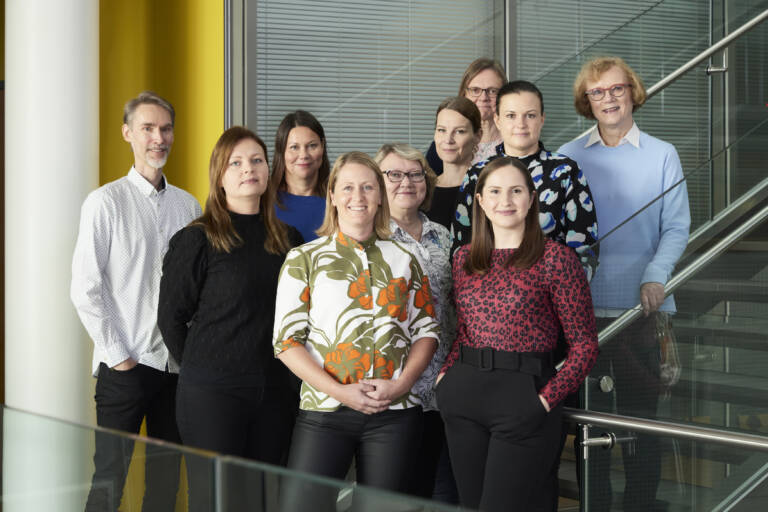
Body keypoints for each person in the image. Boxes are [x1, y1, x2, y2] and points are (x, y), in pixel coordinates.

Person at [272, 151, 440, 512]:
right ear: (332, 195)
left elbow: (427, 331)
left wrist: (401, 385)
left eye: (367, 187)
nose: (358, 197)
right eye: (347, 187)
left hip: (394, 413)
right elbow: (286, 343)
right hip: (324, 412)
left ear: (380, 196)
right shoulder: (304, 259)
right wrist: (340, 392)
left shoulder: (406, 258)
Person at [558, 56, 690, 512]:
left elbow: (676, 227)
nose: (608, 98)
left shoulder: (662, 154)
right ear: (587, 101)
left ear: (633, 92)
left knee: (642, 427)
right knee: (590, 428)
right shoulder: (569, 156)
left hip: (643, 311)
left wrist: (656, 275)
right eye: (597, 92)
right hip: (583, 314)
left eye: (617, 88)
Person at [436, 156, 599, 512]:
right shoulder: (465, 259)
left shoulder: (556, 259)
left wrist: (545, 399)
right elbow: (465, 330)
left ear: (531, 199)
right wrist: (445, 379)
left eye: (515, 191)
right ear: (480, 201)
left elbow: (585, 346)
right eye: (495, 192)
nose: (505, 201)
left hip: (524, 397)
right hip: (463, 396)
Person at [157, 126, 303, 511]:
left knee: (262, 501)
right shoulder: (198, 239)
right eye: (235, 163)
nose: (248, 169)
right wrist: (205, 369)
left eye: (256, 160)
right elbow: (170, 318)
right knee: (215, 501)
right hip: (212, 395)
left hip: (274, 393)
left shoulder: (289, 240)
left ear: (268, 171)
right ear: (220, 177)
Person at [71, 91, 201, 512]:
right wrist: (120, 358)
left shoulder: (189, 206)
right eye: (147, 128)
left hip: (174, 369)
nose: (158, 138)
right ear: (128, 133)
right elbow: (85, 288)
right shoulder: (104, 202)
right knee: (108, 483)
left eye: (165, 129)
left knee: (165, 485)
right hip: (123, 367)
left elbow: (195, 290)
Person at [374, 143, 458, 503]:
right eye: (394, 174)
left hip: (446, 383)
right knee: (400, 494)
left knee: (445, 491)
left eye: (415, 174)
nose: (406, 182)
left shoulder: (445, 235)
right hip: (396, 388)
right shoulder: (370, 238)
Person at [450, 80, 599, 281]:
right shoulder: (477, 174)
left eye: (530, 115)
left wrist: (561, 292)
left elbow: (585, 248)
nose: (521, 124)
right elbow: (461, 248)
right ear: (497, 120)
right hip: (486, 292)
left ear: (542, 119)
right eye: (511, 115)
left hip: (552, 291)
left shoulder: (565, 171)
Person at [425, 58, 508, 174]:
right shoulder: (445, 144)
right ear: (464, 94)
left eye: (492, 91)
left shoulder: (516, 142)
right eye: (475, 90)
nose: (483, 98)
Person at [271, 110, 330, 241]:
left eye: (312, 146)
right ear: (282, 151)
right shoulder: (264, 202)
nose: (303, 155)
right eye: (294, 147)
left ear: (322, 146)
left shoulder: (338, 200)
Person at [426, 97, 482, 230]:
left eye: (459, 131)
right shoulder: (423, 188)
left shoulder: (485, 188)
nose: (448, 140)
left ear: (478, 136)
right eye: (441, 130)